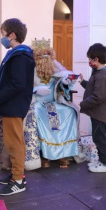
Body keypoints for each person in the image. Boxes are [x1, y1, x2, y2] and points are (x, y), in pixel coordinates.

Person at [0, 18, 35, 196]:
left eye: (3, 34)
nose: (2, 38)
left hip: (14, 105)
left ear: (12, 35)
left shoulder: (20, 56)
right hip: (11, 105)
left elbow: (17, 84)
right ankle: (17, 173)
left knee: (14, 142)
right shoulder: (16, 53)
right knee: (13, 141)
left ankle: (18, 180)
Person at [25, 38, 79, 170]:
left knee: (70, 112)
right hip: (37, 102)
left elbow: (63, 77)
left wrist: (65, 82)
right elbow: (22, 86)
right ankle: (45, 155)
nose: (44, 58)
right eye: (41, 55)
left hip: (54, 101)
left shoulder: (55, 66)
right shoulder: (29, 67)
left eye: (47, 55)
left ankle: (63, 153)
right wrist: (35, 89)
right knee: (39, 114)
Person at [79, 43, 106, 173]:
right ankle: (101, 161)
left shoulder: (102, 76)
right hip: (98, 113)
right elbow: (93, 87)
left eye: (90, 58)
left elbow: (98, 96)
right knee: (97, 137)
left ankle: (105, 164)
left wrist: (82, 104)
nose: (89, 61)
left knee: (100, 138)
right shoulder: (99, 73)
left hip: (101, 113)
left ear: (96, 59)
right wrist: (82, 82)